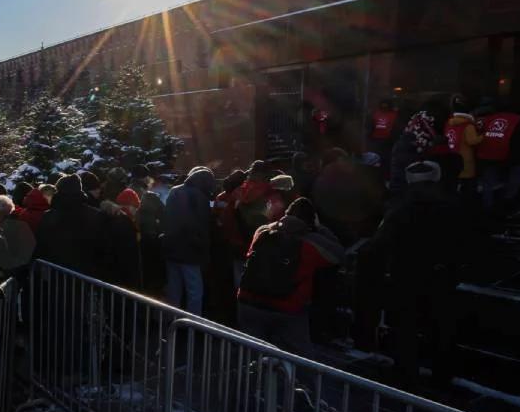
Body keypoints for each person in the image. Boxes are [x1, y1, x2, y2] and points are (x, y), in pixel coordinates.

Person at [366, 161, 467, 389]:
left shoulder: (399, 208)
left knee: (405, 326)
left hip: (406, 276)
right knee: (440, 327)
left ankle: (406, 371)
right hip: (441, 276)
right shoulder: (452, 205)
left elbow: (379, 244)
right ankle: (441, 374)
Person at [236, 197, 344, 357]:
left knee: (252, 353)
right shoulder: (311, 243)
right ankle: (297, 381)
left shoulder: (262, 232)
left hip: (249, 301)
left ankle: (252, 379)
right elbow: (338, 254)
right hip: (287, 307)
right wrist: (320, 228)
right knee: (298, 358)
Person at [162, 166, 215, 316]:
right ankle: (193, 326)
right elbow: (202, 227)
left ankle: (171, 322)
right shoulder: (199, 196)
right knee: (195, 292)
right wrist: (205, 251)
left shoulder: (174, 191)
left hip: (171, 248)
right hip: (190, 252)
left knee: (174, 290)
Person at [34, 174, 105, 278]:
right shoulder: (95, 215)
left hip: (57, 275)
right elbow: (102, 247)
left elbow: (40, 246)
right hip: (88, 276)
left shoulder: (49, 216)